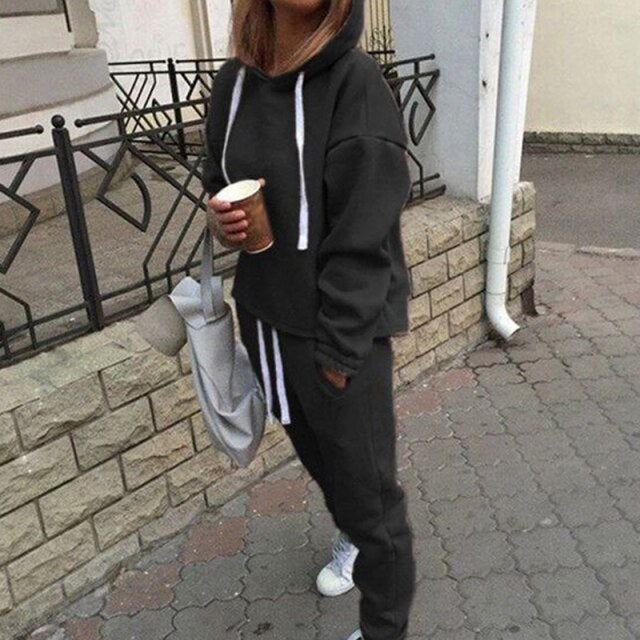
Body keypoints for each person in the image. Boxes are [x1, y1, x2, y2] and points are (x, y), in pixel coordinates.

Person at [201, 1, 415, 638]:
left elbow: (366, 230)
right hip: (265, 322)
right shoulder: (231, 84)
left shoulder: (356, 84)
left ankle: (383, 628)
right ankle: (349, 527)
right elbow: (217, 177)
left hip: (337, 333)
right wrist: (220, 218)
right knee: (328, 470)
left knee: (373, 504)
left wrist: (341, 353)